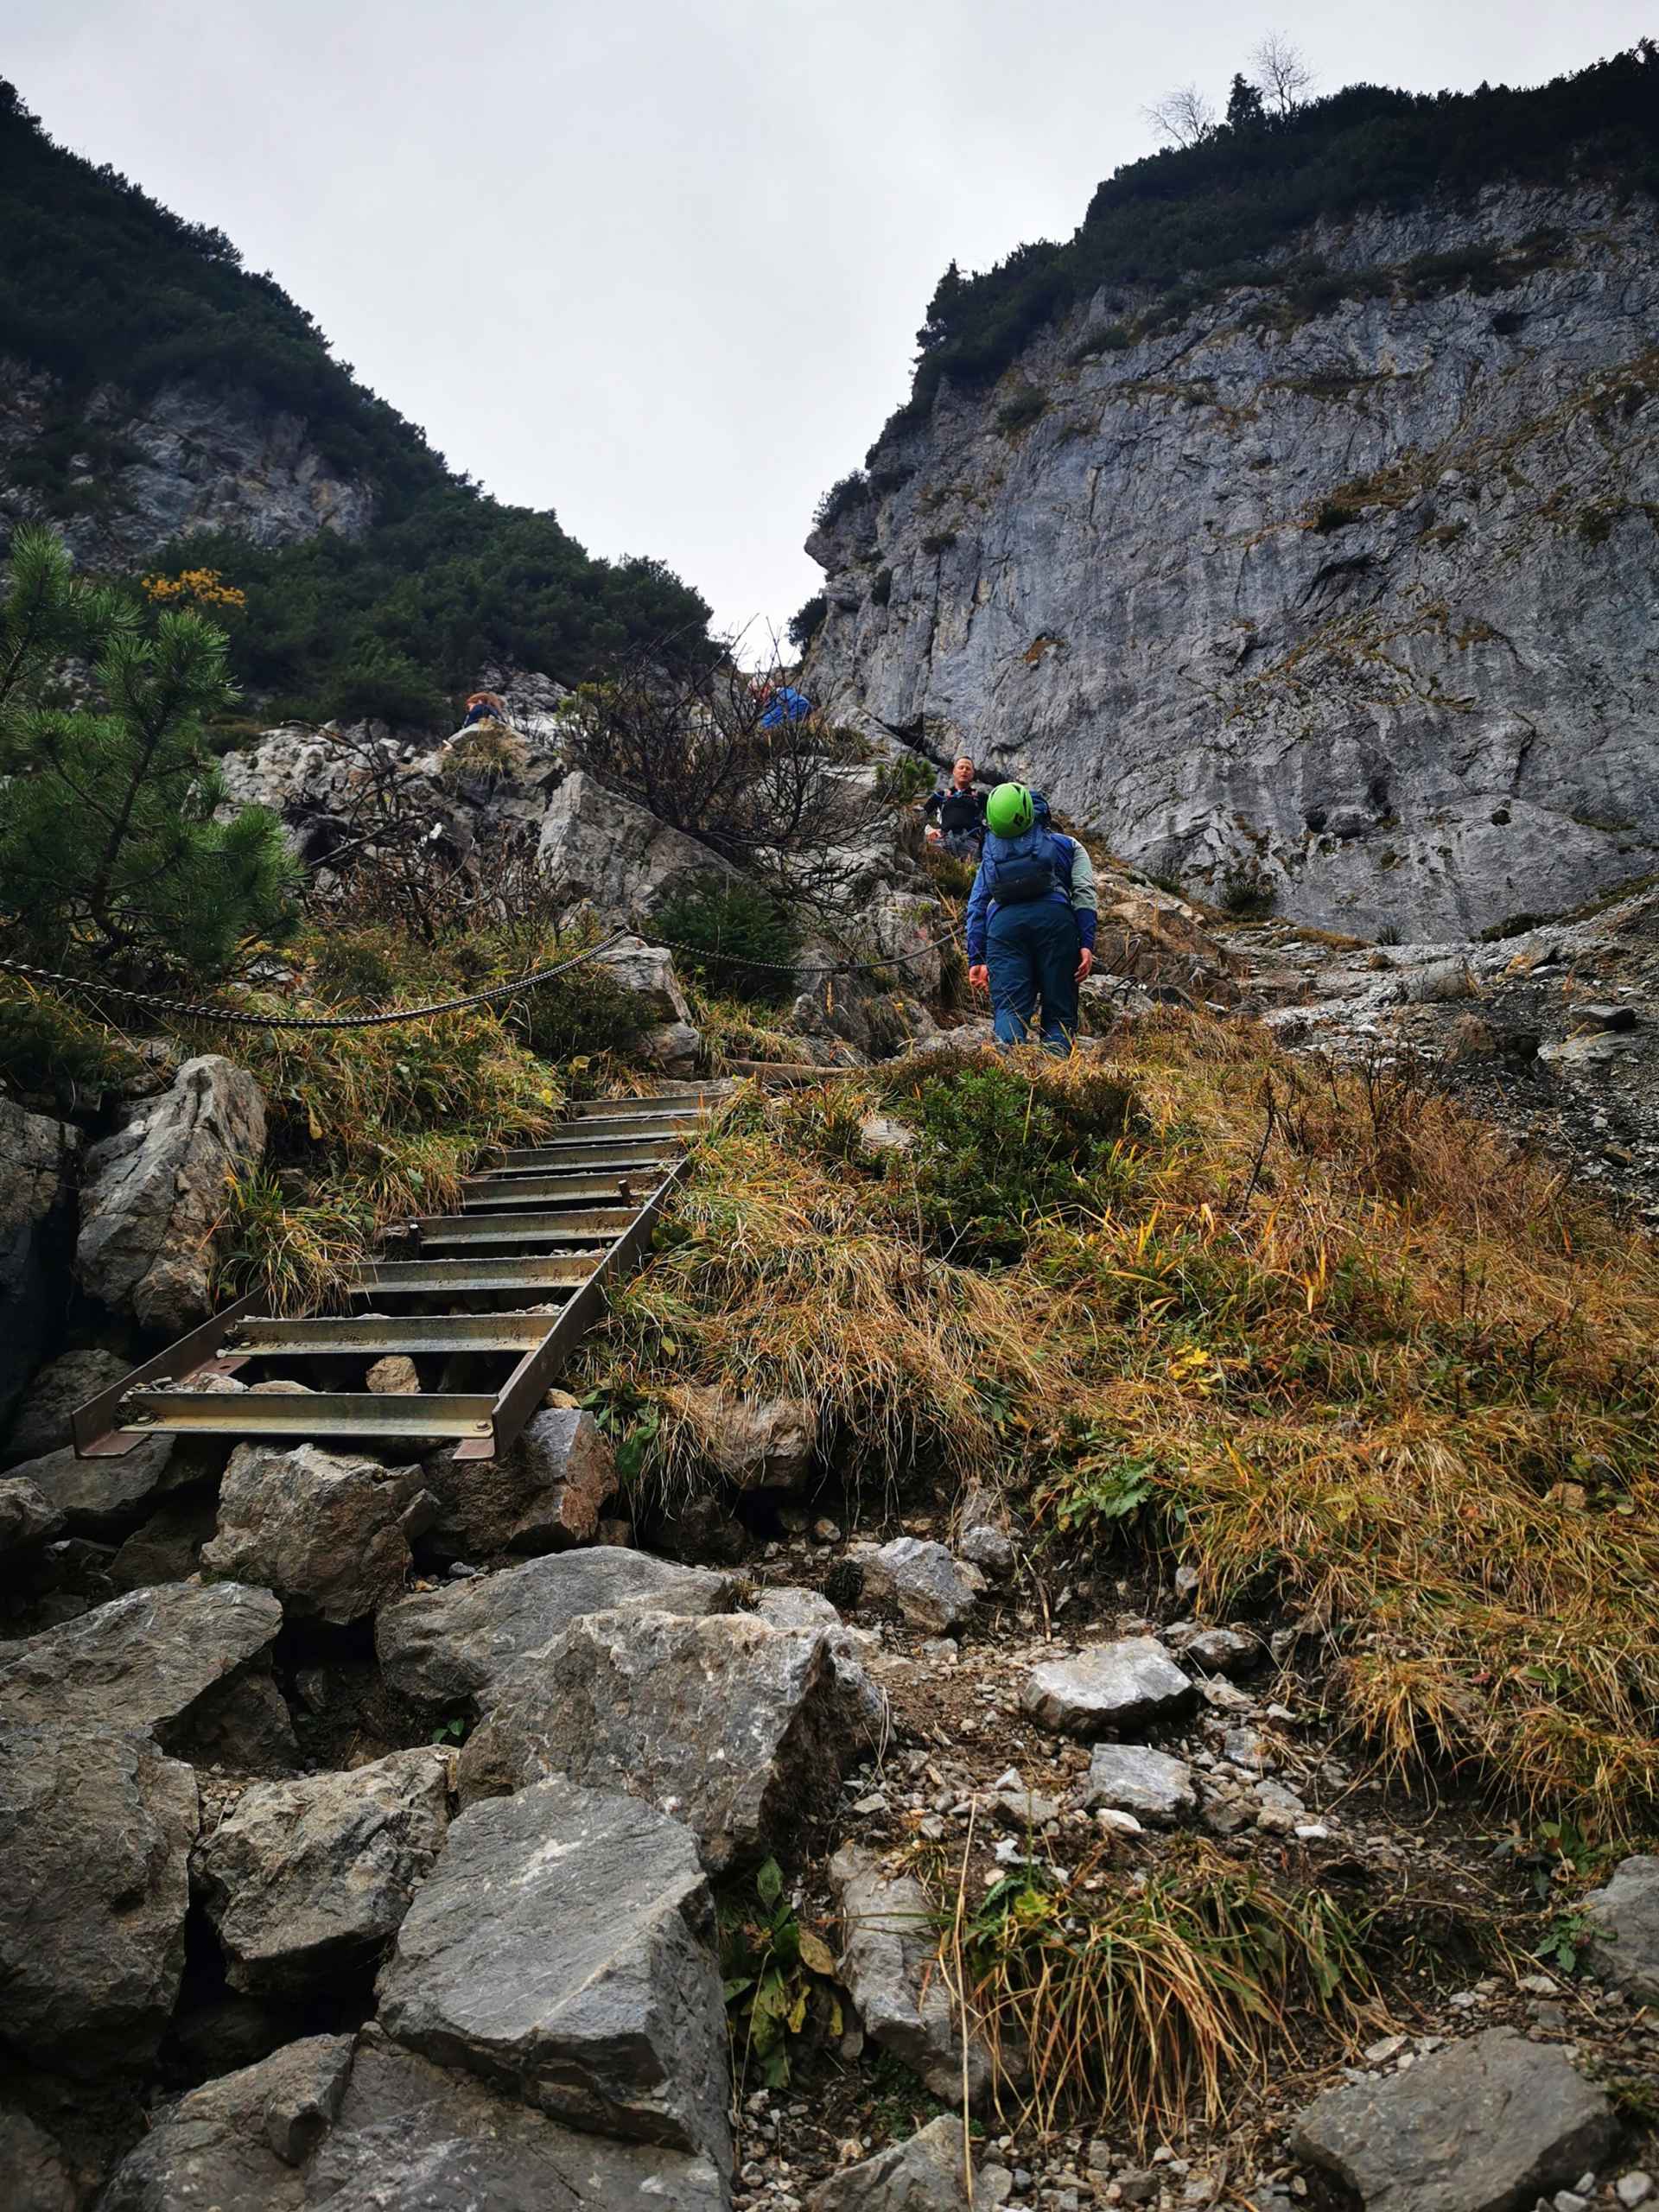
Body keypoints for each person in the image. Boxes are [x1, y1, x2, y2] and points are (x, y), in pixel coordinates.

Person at [965, 782, 1096, 1054]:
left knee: (1010, 1009)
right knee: (1059, 1010)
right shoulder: (1067, 845)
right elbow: (1084, 894)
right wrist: (1086, 941)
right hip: (1056, 923)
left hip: (1003, 929)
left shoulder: (992, 854)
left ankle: (1008, 1079)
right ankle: (1056, 1077)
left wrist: (977, 957)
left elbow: (977, 904)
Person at [922, 755, 988, 860]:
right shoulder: (941, 795)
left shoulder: (981, 798)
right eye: (961, 767)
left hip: (971, 844)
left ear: (972, 774)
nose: (964, 770)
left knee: (972, 874)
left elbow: (994, 820)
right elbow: (921, 815)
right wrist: (929, 830)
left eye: (968, 768)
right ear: (954, 771)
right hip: (944, 841)